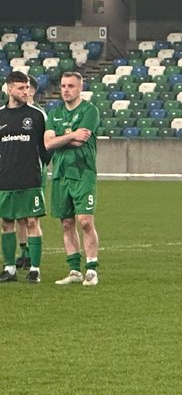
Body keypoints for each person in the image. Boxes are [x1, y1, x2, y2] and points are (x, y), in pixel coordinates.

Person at [43, 71, 100, 286]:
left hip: (83, 172)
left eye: (71, 86)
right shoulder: (55, 112)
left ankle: (92, 270)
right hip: (60, 173)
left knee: (85, 221)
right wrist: (71, 135)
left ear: (80, 88)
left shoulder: (90, 111)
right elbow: (48, 143)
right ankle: (75, 270)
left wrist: (61, 138)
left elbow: (81, 140)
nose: (66, 89)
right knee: (66, 223)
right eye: (63, 86)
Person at [0, 72, 49, 284]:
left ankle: (35, 269)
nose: (25, 92)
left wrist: (41, 166)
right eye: (20, 88)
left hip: (30, 177)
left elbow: (47, 147)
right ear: (9, 89)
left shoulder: (37, 116)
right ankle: (10, 269)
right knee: (6, 222)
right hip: (5, 178)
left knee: (31, 221)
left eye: (27, 88)